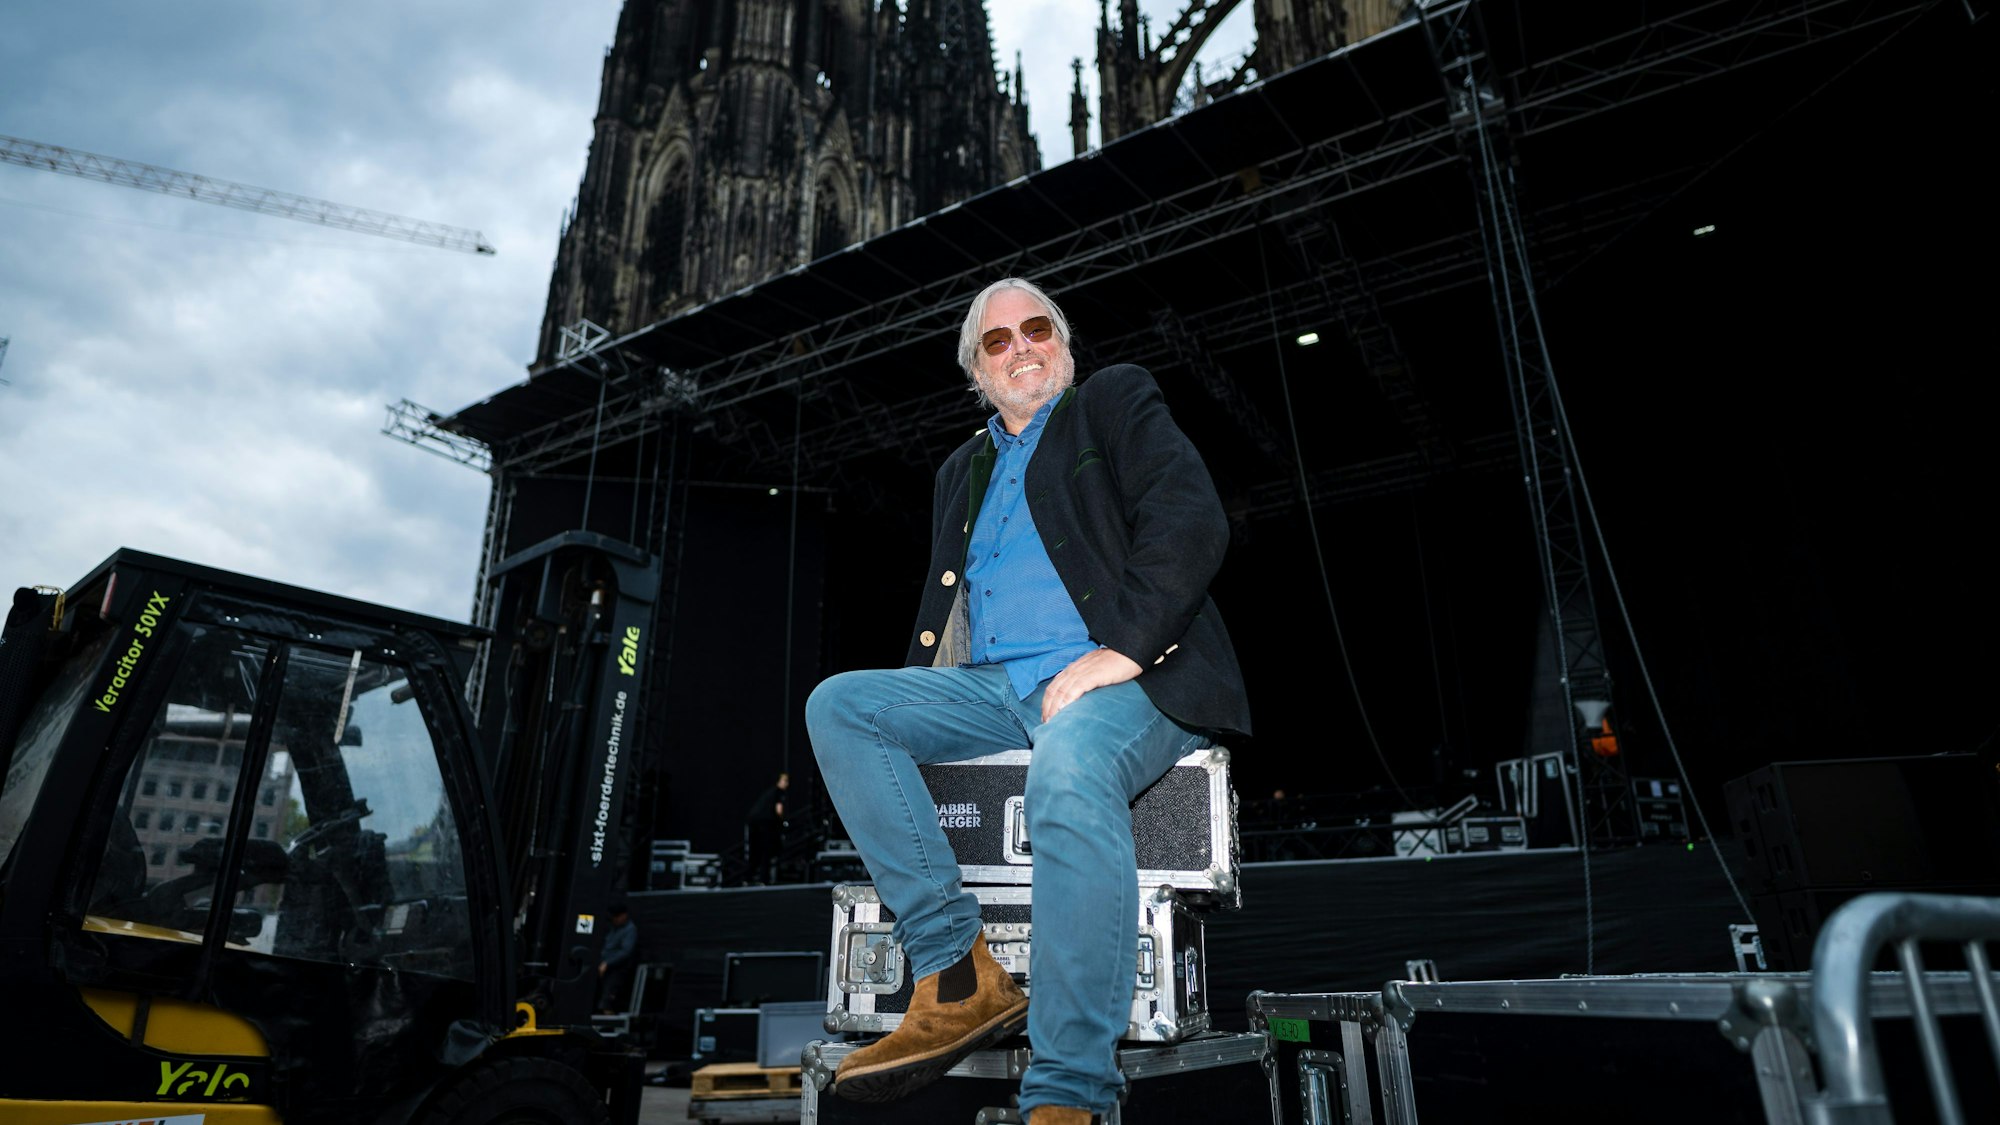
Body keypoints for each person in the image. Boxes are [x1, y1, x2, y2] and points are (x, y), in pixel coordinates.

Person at [805, 277, 1250, 1124]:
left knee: (1069, 764)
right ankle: (959, 974)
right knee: (841, 705)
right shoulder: (959, 471)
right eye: (997, 341)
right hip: (995, 688)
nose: (1021, 347)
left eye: (1036, 328)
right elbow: (950, 612)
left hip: (1127, 674)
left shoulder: (1109, 404)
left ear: (1065, 346)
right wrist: (924, 706)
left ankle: (1068, 1091)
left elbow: (1189, 517)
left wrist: (1124, 648)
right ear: (976, 371)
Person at [744, 771, 789, 884]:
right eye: (785, 781)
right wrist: (783, 822)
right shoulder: (778, 792)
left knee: (755, 852)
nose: (787, 784)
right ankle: (763, 880)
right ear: (779, 781)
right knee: (765, 852)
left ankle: (748, 879)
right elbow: (779, 810)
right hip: (765, 825)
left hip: (754, 823)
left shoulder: (769, 793)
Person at [596, 901, 638, 1015]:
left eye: (616, 917)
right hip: (604, 968)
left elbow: (626, 952)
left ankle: (608, 1027)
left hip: (617, 970)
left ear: (623, 915)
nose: (614, 920)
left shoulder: (630, 930)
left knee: (607, 1002)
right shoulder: (613, 928)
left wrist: (607, 963)